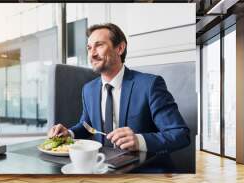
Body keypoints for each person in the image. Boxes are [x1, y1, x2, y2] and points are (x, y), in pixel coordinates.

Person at [48, 23, 190, 157]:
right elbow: (88, 126)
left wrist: (139, 141)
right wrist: (70, 133)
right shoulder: (88, 89)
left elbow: (180, 134)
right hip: (100, 166)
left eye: (99, 46)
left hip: (142, 170)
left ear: (120, 48)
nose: (92, 54)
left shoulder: (150, 85)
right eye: (89, 48)